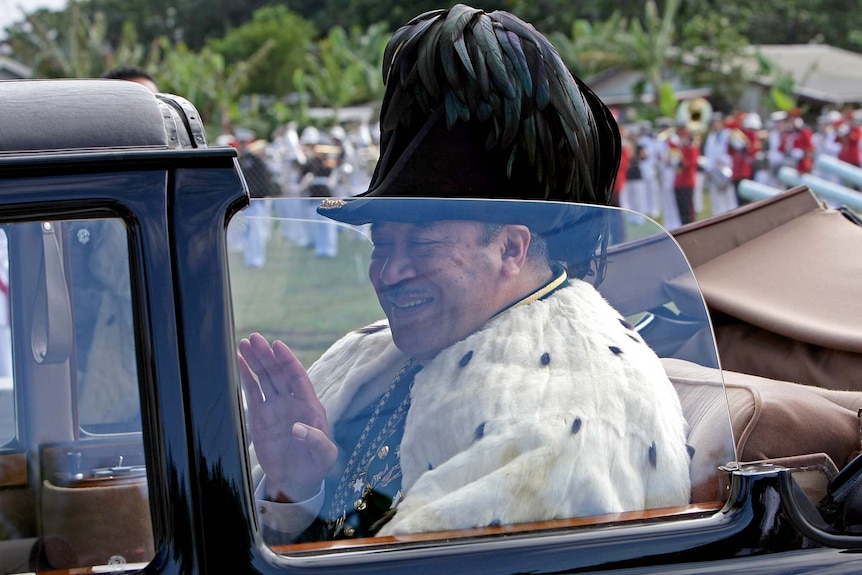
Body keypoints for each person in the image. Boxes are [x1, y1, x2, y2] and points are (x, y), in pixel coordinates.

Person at [238, 4, 691, 543]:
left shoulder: (558, 420)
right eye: (382, 241)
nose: (390, 271)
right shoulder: (398, 355)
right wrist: (303, 486)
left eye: (422, 241)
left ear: (511, 248)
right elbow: (386, 519)